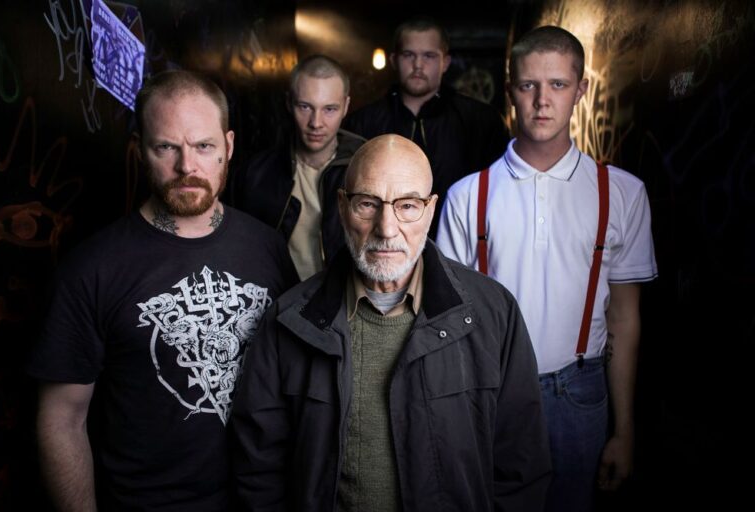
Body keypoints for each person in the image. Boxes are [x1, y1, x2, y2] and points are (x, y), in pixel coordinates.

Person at [231, 134, 551, 512]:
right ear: (342, 207)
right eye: (368, 204)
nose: (386, 227)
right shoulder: (290, 321)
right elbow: (258, 471)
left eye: (408, 206)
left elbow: (522, 468)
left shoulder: (493, 315)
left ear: (431, 210)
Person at [27, 70, 299, 511]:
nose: (187, 166)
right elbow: (62, 419)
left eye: (203, 146)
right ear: (140, 151)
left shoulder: (267, 247)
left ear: (228, 146)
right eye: (166, 147)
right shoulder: (92, 268)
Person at [437, 26, 658, 512]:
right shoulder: (467, 196)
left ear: (581, 90)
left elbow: (624, 319)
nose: (542, 100)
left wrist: (625, 430)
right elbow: (446, 327)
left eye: (558, 84)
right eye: (529, 85)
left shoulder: (620, 194)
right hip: (491, 391)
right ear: (511, 87)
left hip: (580, 393)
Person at [343, 17, 508, 236]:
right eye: (408, 55)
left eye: (429, 56)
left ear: (445, 62)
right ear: (394, 60)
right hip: (384, 241)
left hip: (460, 248)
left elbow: (500, 195)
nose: (418, 65)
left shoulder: (481, 120)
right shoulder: (362, 122)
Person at [225, 54, 365, 280]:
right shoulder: (255, 175)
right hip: (278, 301)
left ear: (346, 106)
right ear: (289, 102)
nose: (316, 122)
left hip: (345, 303)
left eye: (329, 109)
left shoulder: (367, 169)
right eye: (305, 107)